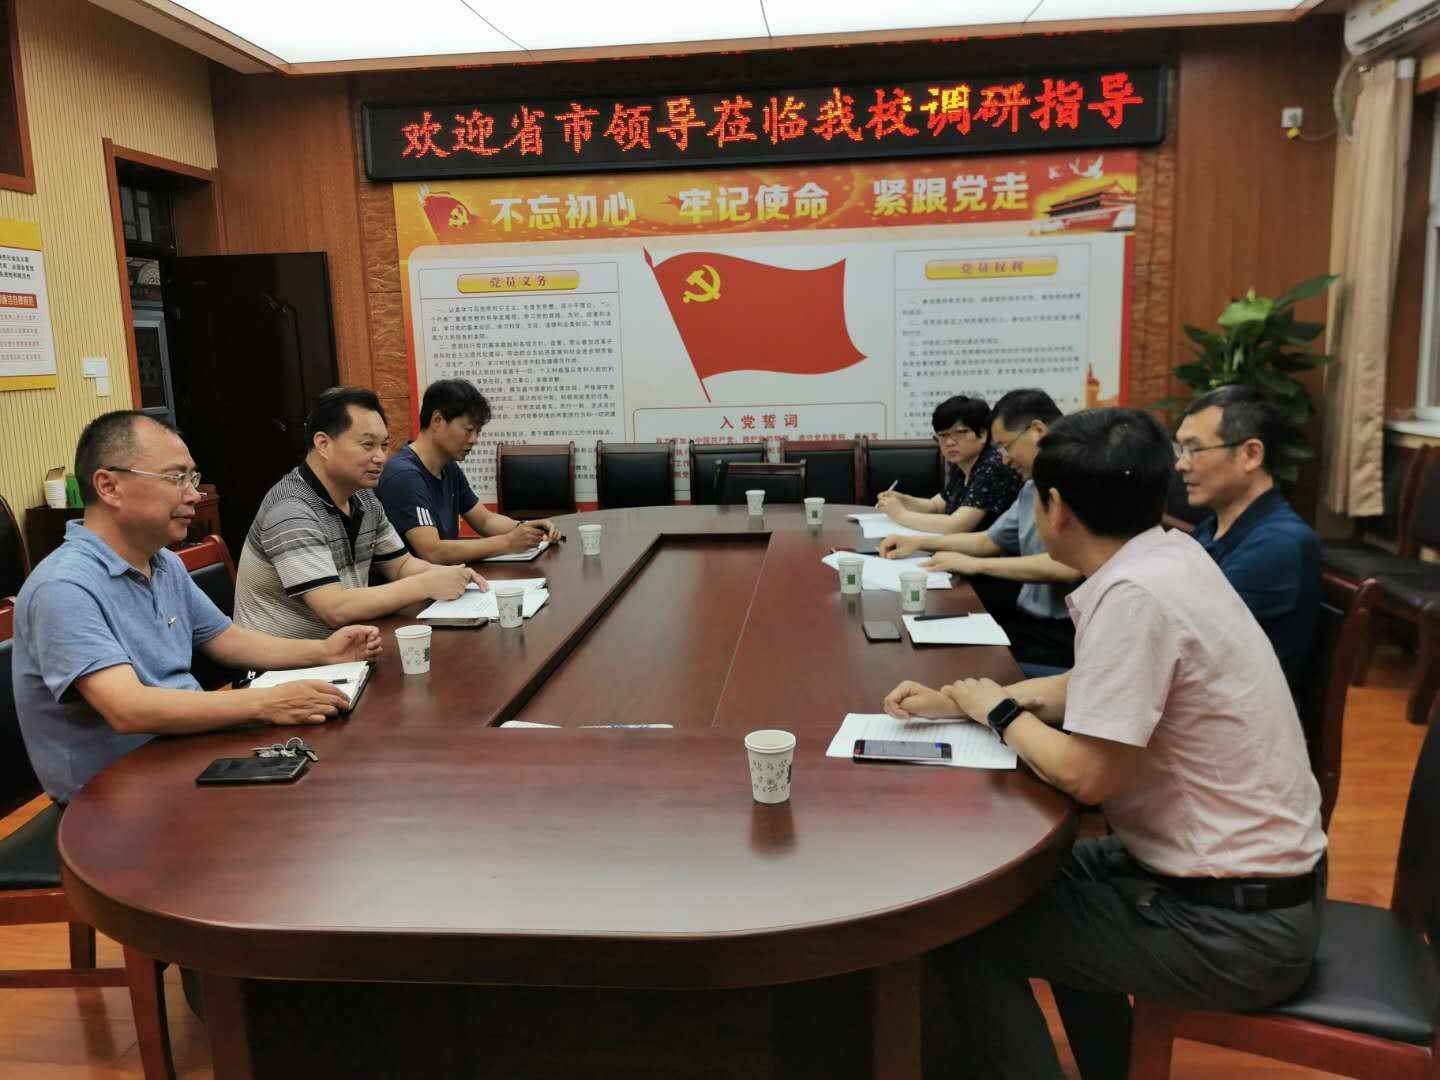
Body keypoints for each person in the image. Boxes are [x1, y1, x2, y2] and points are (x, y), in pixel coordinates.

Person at [883, 408, 1325, 1080]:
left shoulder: (1134, 596)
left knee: (966, 933)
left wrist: (997, 711)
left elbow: (1087, 776)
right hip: (1243, 881)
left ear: (1057, 509)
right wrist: (964, 700)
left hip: (1234, 926)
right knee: (1020, 877)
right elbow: (1093, 685)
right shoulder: (1171, 555)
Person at [12, 411, 384, 805]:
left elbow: (227, 640)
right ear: (109, 486)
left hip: (184, 755)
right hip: (112, 798)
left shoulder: (162, 562)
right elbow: (128, 708)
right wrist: (268, 703)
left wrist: (324, 652)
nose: (194, 494)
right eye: (176, 478)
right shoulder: (63, 587)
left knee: (341, 778)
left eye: (192, 478)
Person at [234, 386, 486, 640]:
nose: (381, 457)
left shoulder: (363, 497)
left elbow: (401, 566)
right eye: (368, 445)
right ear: (323, 444)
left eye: (384, 445)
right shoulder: (290, 508)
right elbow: (333, 609)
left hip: (347, 646)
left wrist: (447, 575)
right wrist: (425, 584)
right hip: (285, 659)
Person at [880, 388, 1081, 674]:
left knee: (951, 664)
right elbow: (989, 540)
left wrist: (975, 564)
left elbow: (1067, 566)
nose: (1004, 458)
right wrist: (917, 542)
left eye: (1006, 446)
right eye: (942, 436)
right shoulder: (1030, 487)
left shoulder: (1078, 484)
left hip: (1060, 635)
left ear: (1037, 431)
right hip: (1026, 621)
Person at [1175, 385, 1320, 689]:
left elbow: (1181, 633)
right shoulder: (1211, 528)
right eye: (1181, 449)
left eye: (1194, 449)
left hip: (1232, 710)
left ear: (1251, 454)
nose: (1181, 464)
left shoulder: (1280, 544)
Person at [376, 378, 559, 563]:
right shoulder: (404, 476)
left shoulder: (448, 467)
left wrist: (527, 529)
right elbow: (433, 551)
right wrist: (509, 542)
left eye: (478, 432)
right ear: (437, 420)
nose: (474, 440)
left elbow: (485, 520)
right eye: (469, 429)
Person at [875, 395, 1022, 534]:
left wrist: (901, 514)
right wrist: (903, 500)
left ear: (983, 434)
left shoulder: (992, 465)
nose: (949, 442)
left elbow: (956, 526)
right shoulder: (963, 463)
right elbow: (935, 506)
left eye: (959, 433)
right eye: (943, 435)